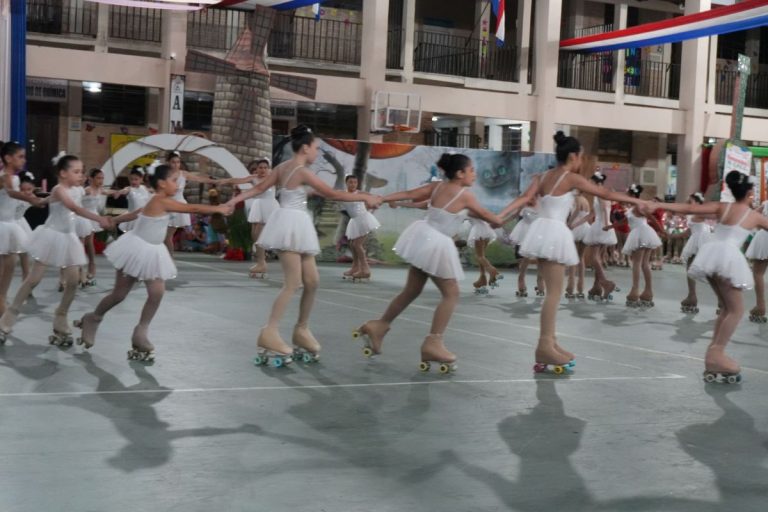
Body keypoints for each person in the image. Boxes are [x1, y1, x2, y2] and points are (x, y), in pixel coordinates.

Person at [226, 125, 381, 367]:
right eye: (317, 148)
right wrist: (365, 196)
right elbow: (334, 194)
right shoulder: (300, 170)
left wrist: (233, 200)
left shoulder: (282, 168)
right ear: (305, 147)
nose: (318, 153)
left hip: (296, 224)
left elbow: (257, 188)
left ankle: (301, 329)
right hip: (291, 224)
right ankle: (270, 331)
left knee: (312, 281)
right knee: (293, 283)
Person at [499, 132, 642, 374]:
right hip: (554, 232)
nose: (581, 161)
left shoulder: (543, 176)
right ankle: (544, 345)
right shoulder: (571, 178)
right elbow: (605, 194)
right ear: (573, 156)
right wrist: (637, 201)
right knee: (553, 294)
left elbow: (524, 198)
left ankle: (551, 342)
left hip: (541, 230)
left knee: (552, 292)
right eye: (581, 157)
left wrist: (499, 216)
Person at [353, 152, 503, 373]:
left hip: (423, 237)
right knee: (451, 294)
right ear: (460, 173)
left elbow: (411, 193)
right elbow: (494, 219)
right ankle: (433, 342)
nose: (475, 174)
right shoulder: (465, 195)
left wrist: (383, 199)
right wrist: (520, 205)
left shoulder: (438, 186)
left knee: (411, 290)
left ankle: (379, 325)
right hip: (436, 244)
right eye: (471, 170)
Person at [74, 165, 233, 361]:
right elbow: (192, 208)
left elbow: (137, 213)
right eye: (174, 180)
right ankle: (94, 317)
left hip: (153, 251)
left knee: (157, 293)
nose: (178, 184)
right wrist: (217, 208)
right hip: (135, 249)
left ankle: (141, 332)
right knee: (119, 294)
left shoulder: (159, 200)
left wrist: (115, 220)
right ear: (161, 183)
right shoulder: (160, 200)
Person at [654, 171, 768, 383]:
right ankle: (716, 354)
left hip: (711, 254)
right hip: (729, 258)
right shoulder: (754, 216)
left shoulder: (723, 207)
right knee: (736, 310)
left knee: (726, 308)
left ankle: (713, 354)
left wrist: (656, 205)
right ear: (751, 192)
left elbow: (689, 208)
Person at [0, 155, 111, 345]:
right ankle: (7, 319)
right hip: (51, 236)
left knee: (74, 281)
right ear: (62, 173)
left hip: (68, 238)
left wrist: (40, 201)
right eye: (76, 172)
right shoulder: (59, 188)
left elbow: (53, 201)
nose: (81, 175)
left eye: (81, 171)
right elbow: (72, 207)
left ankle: (61, 317)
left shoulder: (77, 189)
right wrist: (97, 218)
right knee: (33, 279)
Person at [0, 143, 45, 317]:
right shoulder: (4, 177)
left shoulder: (16, 177)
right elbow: (11, 193)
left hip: (10, 227)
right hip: (2, 226)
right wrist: (31, 199)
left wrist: (35, 198)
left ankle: (2, 302)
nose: (24, 160)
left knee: (10, 268)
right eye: (20, 156)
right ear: (8, 158)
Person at [218, 158, 278, 278]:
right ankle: (261, 261)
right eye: (260, 167)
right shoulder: (254, 178)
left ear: (269, 169)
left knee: (260, 235)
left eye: (265, 168)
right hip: (258, 206)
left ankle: (262, 261)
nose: (263, 170)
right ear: (257, 169)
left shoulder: (273, 178)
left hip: (269, 206)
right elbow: (239, 180)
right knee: (254, 235)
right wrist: (226, 181)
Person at [163, 151, 217, 255]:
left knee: (168, 236)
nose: (176, 164)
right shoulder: (164, 175)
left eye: (178, 162)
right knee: (163, 236)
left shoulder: (183, 174)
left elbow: (199, 178)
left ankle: (169, 259)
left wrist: (213, 181)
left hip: (178, 206)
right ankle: (165, 258)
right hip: (165, 205)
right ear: (168, 162)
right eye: (173, 162)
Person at [621, 184, 662, 308]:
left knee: (637, 263)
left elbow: (651, 218)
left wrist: (661, 229)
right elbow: (626, 220)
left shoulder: (639, 205)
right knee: (644, 264)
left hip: (641, 233)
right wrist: (611, 226)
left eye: (628, 194)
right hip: (643, 233)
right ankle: (648, 292)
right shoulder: (634, 206)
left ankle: (635, 291)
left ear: (633, 195)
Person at [583, 171, 619, 302]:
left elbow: (604, 208)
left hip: (601, 225)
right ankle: (596, 287)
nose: (589, 184)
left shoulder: (600, 193)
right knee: (599, 256)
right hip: (603, 224)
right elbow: (592, 213)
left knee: (594, 257)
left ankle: (605, 282)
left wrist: (604, 224)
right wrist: (575, 223)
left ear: (596, 182)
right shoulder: (601, 192)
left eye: (591, 182)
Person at [340, 174, 380, 282]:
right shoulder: (343, 194)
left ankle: (365, 269)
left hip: (363, 219)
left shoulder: (361, 193)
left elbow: (374, 199)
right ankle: (355, 267)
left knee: (357, 244)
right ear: (346, 183)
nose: (353, 184)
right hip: (355, 221)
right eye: (350, 182)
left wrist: (373, 206)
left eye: (355, 182)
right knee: (352, 245)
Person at [79, 168, 115, 286]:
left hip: (93, 217)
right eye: (99, 178)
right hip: (84, 217)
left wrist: (121, 191)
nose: (101, 180)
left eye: (102, 178)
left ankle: (91, 266)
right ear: (91, 179)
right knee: (81, 244)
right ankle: (81, 270)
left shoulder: (100, 190)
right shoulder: (87, 190)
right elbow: (77, 197)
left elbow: (108, 192)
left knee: (89, 243)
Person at [679, 192, 712, 314]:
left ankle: (721, 299)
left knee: (708, 270)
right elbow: (689, 231)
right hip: (695, 239)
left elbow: (708, 218)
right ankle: (691, 296)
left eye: (691, 201)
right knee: (690, 267)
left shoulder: (700, 212)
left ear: (698, 202)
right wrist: (673, 235)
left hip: (702, 240)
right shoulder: (692, 213)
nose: (689, 202)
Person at [745, 198, 768, 323]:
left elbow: (751, 216)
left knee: (758, 273)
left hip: (765, 238)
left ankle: (760, 306)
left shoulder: (766, 204)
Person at [566, 192, 591, 299]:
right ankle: (580, 288)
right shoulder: (586, 200)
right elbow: (587, 215)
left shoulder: (577, 199)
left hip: (576, 227)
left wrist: (569, 224)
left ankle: (570, 288)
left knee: (573, 258)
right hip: (585, 227)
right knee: (581, 258)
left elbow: (576, 211)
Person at [467, 216, 500, 295]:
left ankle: (493, 272)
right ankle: (482, 279)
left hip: (478, 230)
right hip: (487, 229)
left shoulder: (469, 207)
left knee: (479, 256)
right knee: (482, 255)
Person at [115, 166, 152, 232]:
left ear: (141, 179)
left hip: (143, 217)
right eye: (131, 179)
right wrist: (119, 192)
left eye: (136, 179)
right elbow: (124, 190)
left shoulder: (144, 188)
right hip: (132, 217)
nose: (133, 181)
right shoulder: (129, 189)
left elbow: (154, 192)